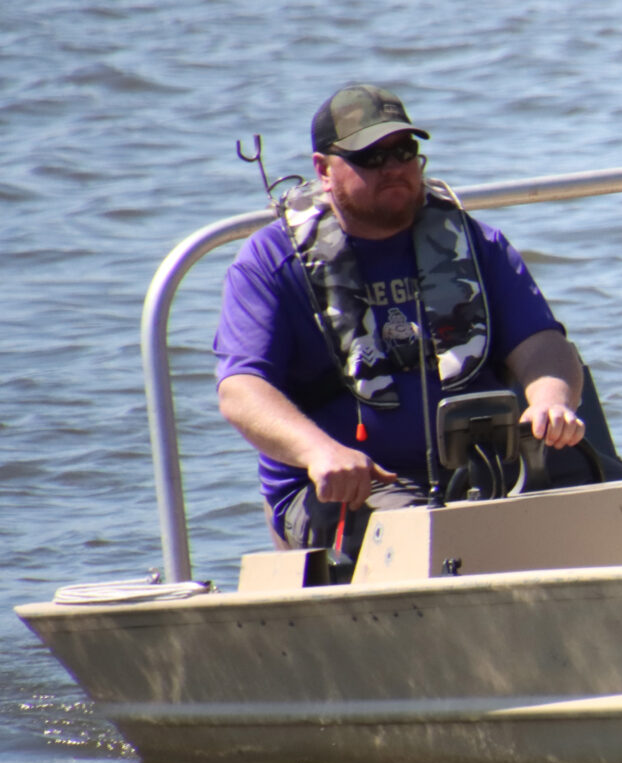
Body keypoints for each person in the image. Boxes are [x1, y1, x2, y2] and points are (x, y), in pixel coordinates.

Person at [214, 84, 589, 552]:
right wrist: (321, 452)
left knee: (618, 504)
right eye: (370, 156)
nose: (393, 168)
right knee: (434, 542)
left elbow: (543, 347)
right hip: (348, 493)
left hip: (485, 466)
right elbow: (240, 391)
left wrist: (553, 402)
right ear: (323, 170)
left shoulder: (476, 245)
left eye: (404, 151)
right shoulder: (269, 263)